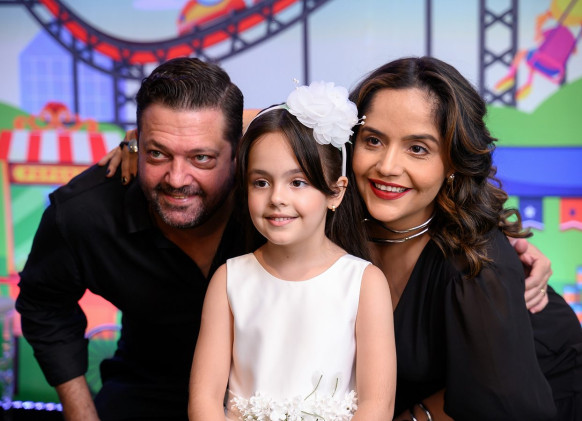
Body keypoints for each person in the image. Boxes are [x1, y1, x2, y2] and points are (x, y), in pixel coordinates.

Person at [348, 56, 582, 420]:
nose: (388, 166)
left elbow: (495, 407)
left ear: (453, 163)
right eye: (373, 140)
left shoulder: (475, 265)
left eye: (418, 148)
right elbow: (262, 133)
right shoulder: (335, 225)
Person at [16, 57, 246, 421]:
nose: (176, 178)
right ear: (137, 141)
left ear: (238, 154)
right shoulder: (85, 212)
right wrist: (81, 414)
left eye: (201, 157)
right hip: (145, 385)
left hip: (267, 387)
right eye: (158, 153)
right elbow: (44, 304)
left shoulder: (274, 199)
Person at [188, 81, 396, 420]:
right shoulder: (229, 280)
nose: (277, 198)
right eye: (261, 182)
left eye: (297, 182)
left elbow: (377, 405)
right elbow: (204, 402)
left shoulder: (364, 283)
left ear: (335, 192)